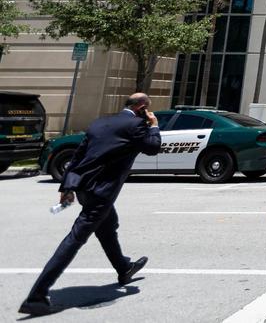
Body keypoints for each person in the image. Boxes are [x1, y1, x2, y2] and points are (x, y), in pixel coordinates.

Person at [20, 93, 161, 316]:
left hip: (84, 188)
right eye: (147, 109)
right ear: (142, 107)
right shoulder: (136, 125)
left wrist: (67, 187)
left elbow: (78, 156)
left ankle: (124, 268)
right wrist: (153, 125)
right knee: (74, 240)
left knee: (108, 226)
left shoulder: (99, 122)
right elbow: (153, 147)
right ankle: (36, 297)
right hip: (101, 193)